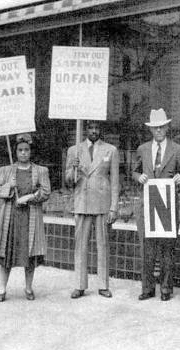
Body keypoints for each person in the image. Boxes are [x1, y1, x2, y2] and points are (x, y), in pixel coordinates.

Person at [133, 108, 180, 301]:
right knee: (147, 248)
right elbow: (133, 171)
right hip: (147, 204)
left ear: (167, 127)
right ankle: (147, 288)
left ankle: (166, 288)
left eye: (161, 127)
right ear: (150, 129)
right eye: (154, 128)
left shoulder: (177, 149)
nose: (158, 131)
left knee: (166, 249)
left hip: (166, 204)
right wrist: (138, 176)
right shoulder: (143, 149)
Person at [0, 133, 51, 302]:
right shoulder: (7, 170)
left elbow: (46, 192)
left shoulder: (40, 171)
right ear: (15, 151)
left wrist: (29, 197)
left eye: (26, 150)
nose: (23, 153)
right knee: (6, 255)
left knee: (30, 255)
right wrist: (9, 186)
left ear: (31, 151)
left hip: (30, 217)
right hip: (11, 218)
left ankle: (29, 287)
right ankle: (2, 289)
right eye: (20, 150)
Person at [66, 121, 119, 299]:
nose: (94, 131)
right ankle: (79, 285)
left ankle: (103, 285)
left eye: (97, 128)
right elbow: (67, 181)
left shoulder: (110, 150)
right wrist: (73, 169)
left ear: (100, 130)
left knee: (102, 244)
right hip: (82, 202)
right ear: (86, 130)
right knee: (80, 244)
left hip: (102, 203)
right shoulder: (74, 151)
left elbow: (115, 181)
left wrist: (114, 207)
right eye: (90, 128)